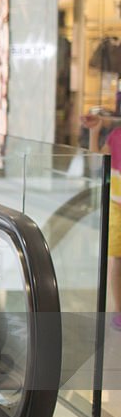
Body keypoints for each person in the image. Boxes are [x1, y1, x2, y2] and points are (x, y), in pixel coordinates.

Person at [83, 109, 121, 330]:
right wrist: (94, 133)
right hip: (117, 208)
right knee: (117, 258)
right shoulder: (115, 136)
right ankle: (118, 308)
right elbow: (96, 164)